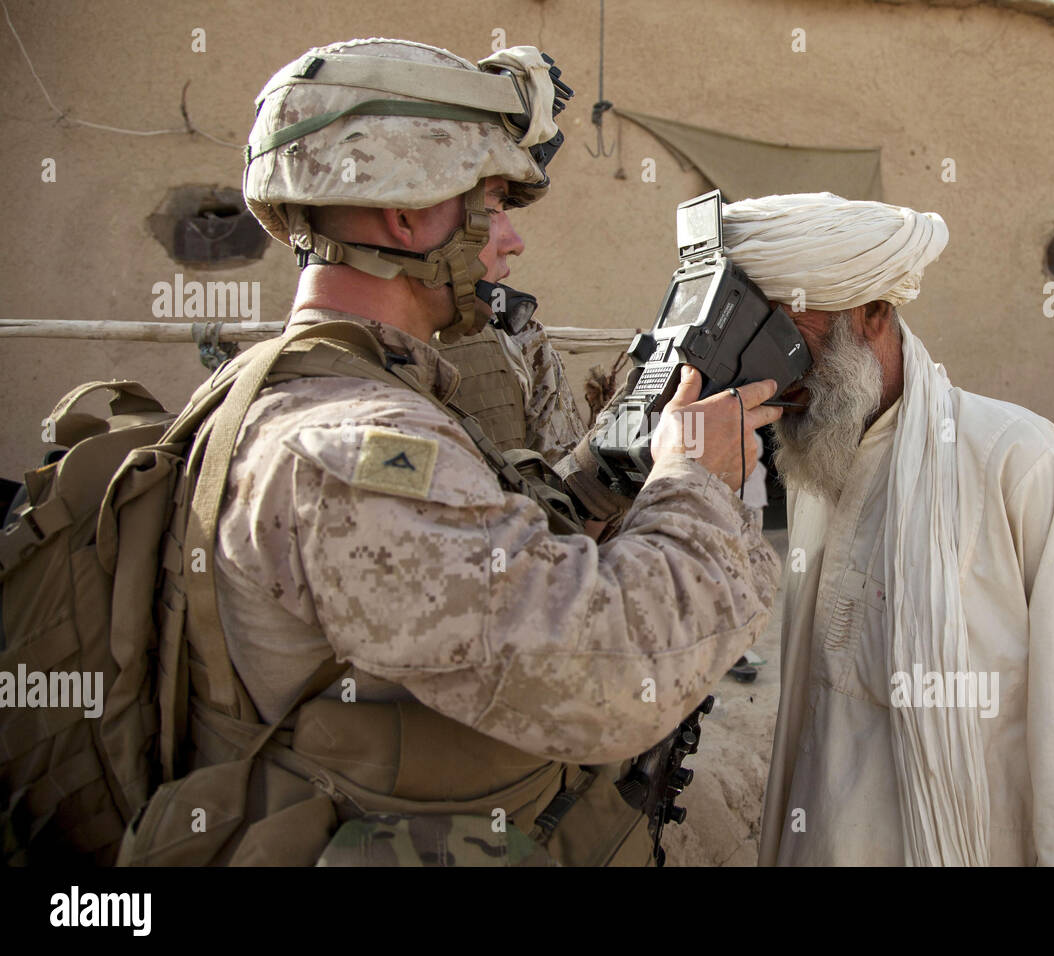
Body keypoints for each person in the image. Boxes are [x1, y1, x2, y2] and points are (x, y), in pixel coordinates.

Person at [141, 38, 783, 867]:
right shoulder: (351, 451)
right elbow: (613, 677)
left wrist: (603, 472)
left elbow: (487, 564)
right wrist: (699, 480)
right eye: (492, 205)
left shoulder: (321, 390)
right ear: (407, 213)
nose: (511, 242)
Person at [728, 193, 1054, 866]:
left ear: (874, 315)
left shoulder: (1021, 462)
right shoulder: (817, 472)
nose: (775, 373)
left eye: (792, 339)